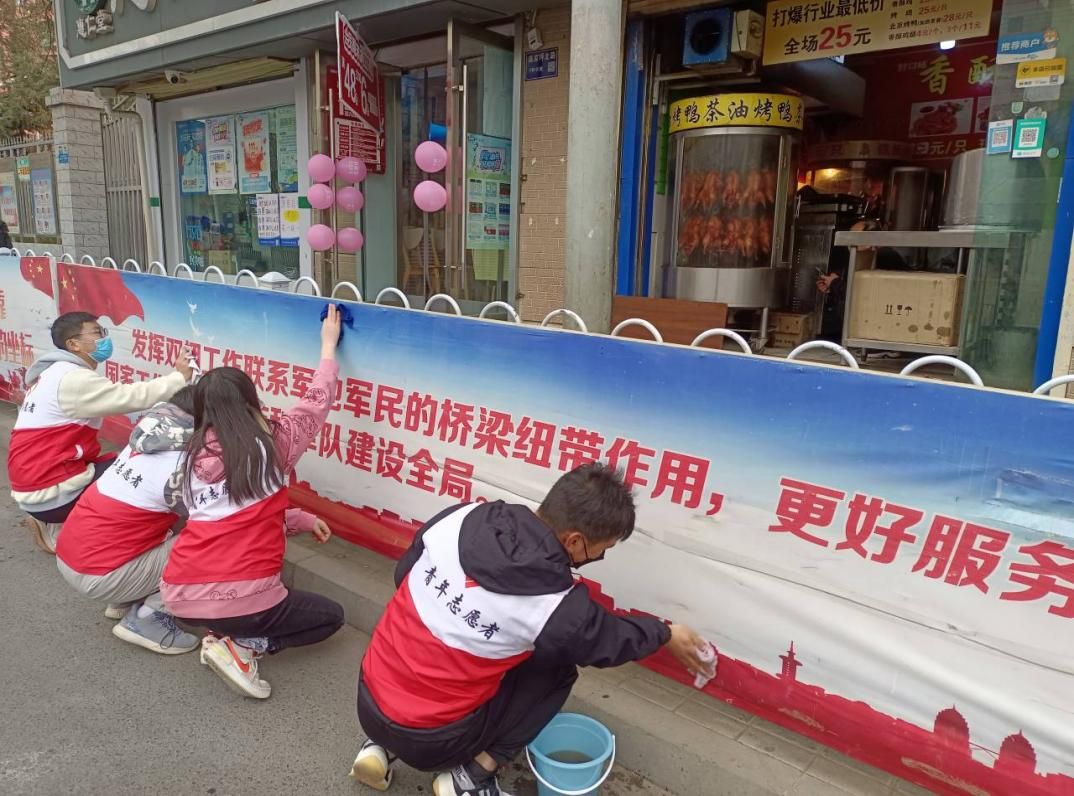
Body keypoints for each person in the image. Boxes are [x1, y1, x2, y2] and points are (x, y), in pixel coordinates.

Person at [351, 463, 708, 796]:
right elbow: (610, 639)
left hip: (367, 698)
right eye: (603, 549)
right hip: (434, 741)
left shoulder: (461, 516)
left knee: (424, 635)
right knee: (557, 671)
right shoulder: (553, 605)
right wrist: (665, 633)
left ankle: (378, 746)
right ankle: (468, 779)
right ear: (574, 541)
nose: (600, 555)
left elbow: (404, 575)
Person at [160, 306, 344, 700]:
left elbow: (233, 515)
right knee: (330, 618)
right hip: (241, 600)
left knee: (241, 603)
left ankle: (221, 634)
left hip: (179, 597)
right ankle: (243, 647)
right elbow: (316, 401)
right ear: (251, 401)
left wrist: (299, 518)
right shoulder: (275, 443)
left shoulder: (192, 455)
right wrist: (329, 346)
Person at [6, 311, 193, 553]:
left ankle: (54, 520)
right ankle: (75, 530)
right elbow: (131, 397)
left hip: (34, 482)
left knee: (119, 463)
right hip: (50, 491)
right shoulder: (72, 379)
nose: (104, 338)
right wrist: (179, 378)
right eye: (97, 333)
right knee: (137, 476)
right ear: (73, 344)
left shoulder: (53, 374)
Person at [54, 387, 204, 643]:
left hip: (73, 558)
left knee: (167, 522)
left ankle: (126, 598)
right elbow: (217, 518)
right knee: (215, 540)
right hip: (101, 575)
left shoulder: (146, 443)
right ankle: (147, 617)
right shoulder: (180, 466)